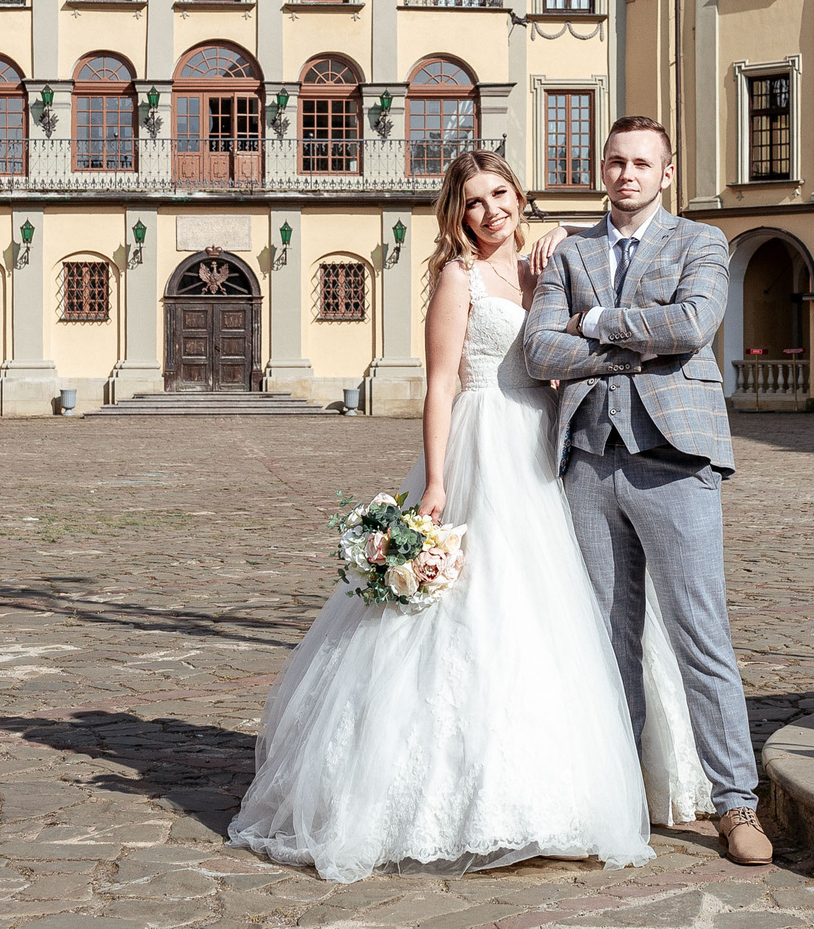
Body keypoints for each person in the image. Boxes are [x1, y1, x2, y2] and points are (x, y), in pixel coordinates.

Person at [226, 148, 709, 882]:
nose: (492, 212)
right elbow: (443, 380)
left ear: (522, 196)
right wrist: (436, 480)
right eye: (476, 201)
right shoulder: (458, 275)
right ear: (459, 211)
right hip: (485, 442)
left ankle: (579, 779)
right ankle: (451, 794)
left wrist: (566, 227)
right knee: (474, 610)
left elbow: (614, 236)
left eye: (502, 195)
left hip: (551, 441)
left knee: (569, 611)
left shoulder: (555, 258)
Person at [521, 116, 772, 866]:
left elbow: (694, 324)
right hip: (590, 464)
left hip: (677, 458)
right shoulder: (571, 249)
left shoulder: (701, 242)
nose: (626, 173)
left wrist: (595, 323)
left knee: (702, 635)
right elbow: (538, 348)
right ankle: (618, 796)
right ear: (602, 169)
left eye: (642, 163)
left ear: (666, 173)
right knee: (604, 639)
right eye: (616, 161)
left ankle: (736, 804)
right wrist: (637, 348)